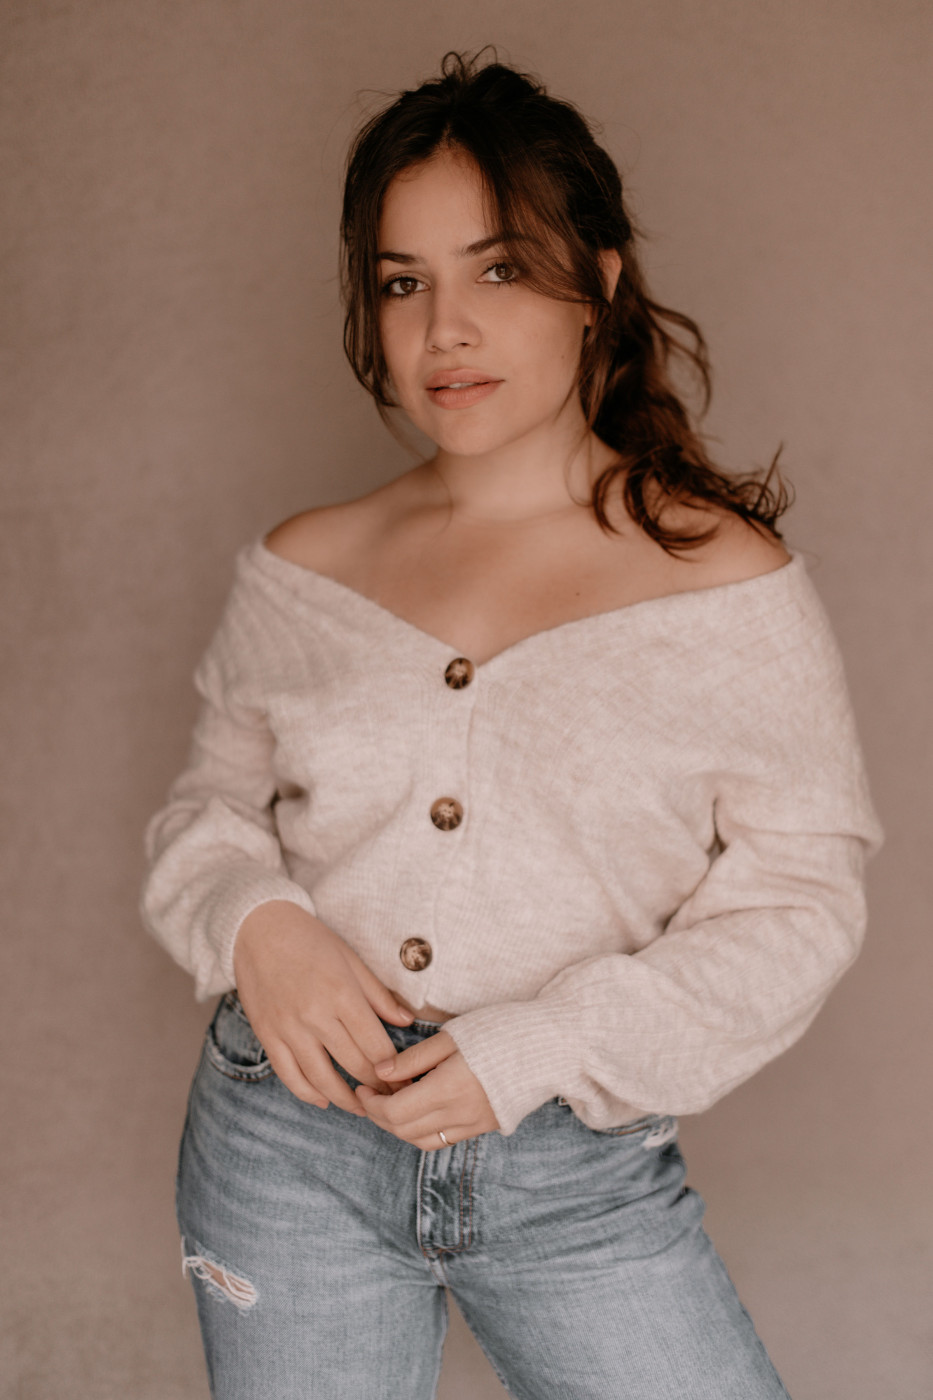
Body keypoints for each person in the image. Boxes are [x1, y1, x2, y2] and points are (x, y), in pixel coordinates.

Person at [141, 51, 881, 1400]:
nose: (444, 331)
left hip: (572, 1169)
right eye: (402, 283)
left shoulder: (726, 588)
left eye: (496, 271)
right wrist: (255, 922)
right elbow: (207, 813)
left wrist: (547, 1043)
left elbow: (801, 903)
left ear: (598, 280)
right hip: (285, 1144)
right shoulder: (305, 565)